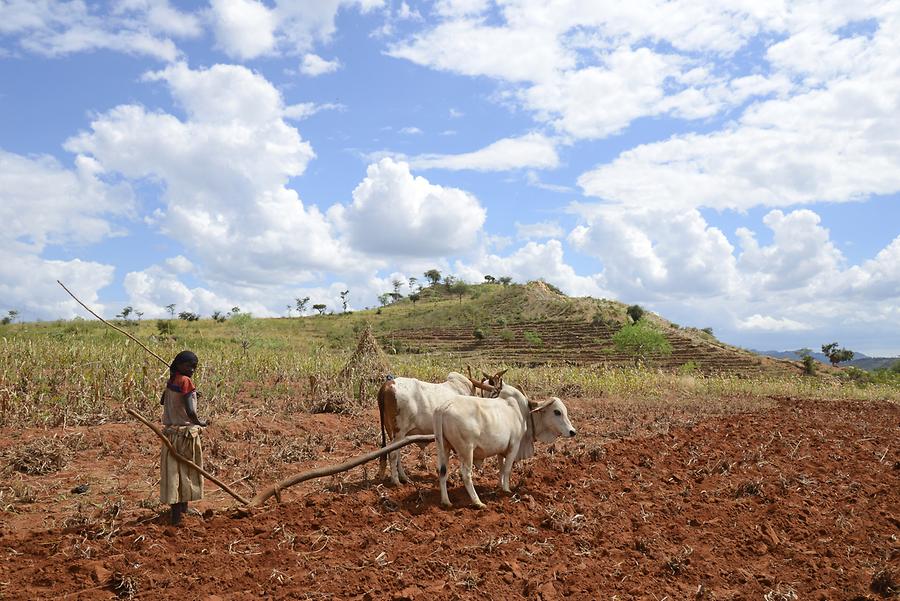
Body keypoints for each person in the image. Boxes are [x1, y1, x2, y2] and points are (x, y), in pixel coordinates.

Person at [159, 350, 208, 525]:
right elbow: (190, 411)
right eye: (189, 366)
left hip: (171, 434)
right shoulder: (185, 381)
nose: (192, 370)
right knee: (185, 473)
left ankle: (180, 512)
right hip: (185, 435)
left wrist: (192, 394)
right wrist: (200, 422)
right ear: (179, 364)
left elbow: (163, 401)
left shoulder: (172, 380)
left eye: (195, 367)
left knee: (175, 474)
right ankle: (178, 517)